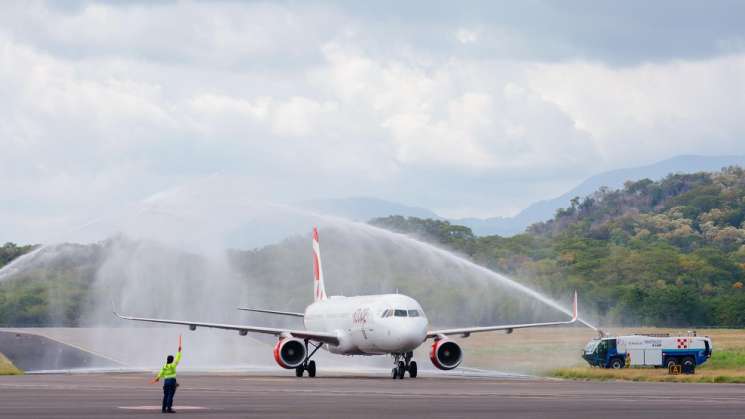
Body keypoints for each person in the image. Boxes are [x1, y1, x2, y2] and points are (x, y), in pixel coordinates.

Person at [151, 337, 182, 413]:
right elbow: (177, 359)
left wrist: (157, 378)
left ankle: (163, 409)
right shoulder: (173, 365)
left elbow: (161, 373)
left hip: (166, 381)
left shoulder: (164, 366)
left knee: (165, 395)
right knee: (170, 395)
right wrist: (179, 351)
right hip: (172, 381)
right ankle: (169, 408)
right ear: (172, 360)